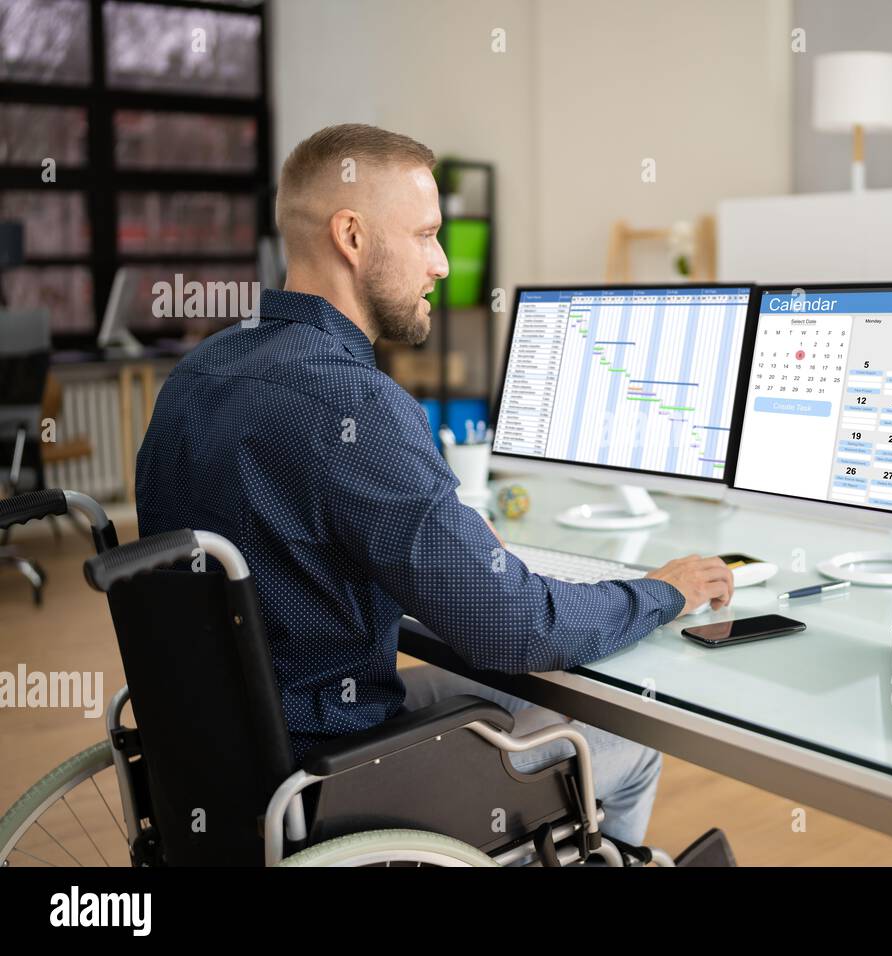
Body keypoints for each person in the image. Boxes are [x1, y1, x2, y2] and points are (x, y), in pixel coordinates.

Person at [135, 123, 733, 847]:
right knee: (629, 743)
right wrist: (661, 590)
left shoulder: (197, 374)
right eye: (425, 235)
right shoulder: (355, 405)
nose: (444, 265)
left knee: (497, 693)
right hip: (326, 783)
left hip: (219, 767)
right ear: (351, 237)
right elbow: (516, 627)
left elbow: (280, 550)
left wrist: (445, 546)